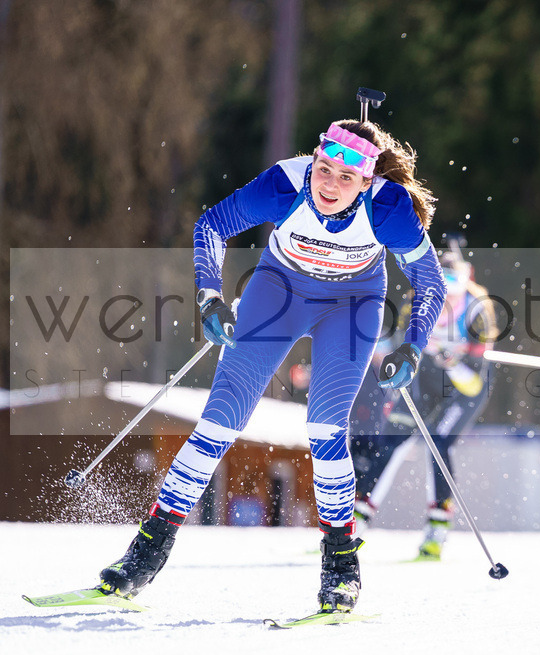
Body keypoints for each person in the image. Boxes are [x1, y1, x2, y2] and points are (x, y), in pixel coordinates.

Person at [97, 118, 446, 614]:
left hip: (352, 302)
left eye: (347, 178)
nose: (329, 184)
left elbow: (430, 282)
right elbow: (211, 225)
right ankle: (144, 555)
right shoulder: (285, 182)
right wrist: (210, 296)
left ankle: (341, 569)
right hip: (279, 290)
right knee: (220, 420)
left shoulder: (388, 207)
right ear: (315, 161)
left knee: (325, 425)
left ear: (367, 181)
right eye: (325, 169)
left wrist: (412, 346)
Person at [352, 249, 498, 559]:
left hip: (462, 390)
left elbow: (473, 383)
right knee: (390, 442)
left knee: (438, 441)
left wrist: (452, 362)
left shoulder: (476, 312)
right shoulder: (414, 302)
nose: (444, 301)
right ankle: (355, 526)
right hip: (426, 381)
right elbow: (401, 348)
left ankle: (437, 530)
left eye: (451, 290)